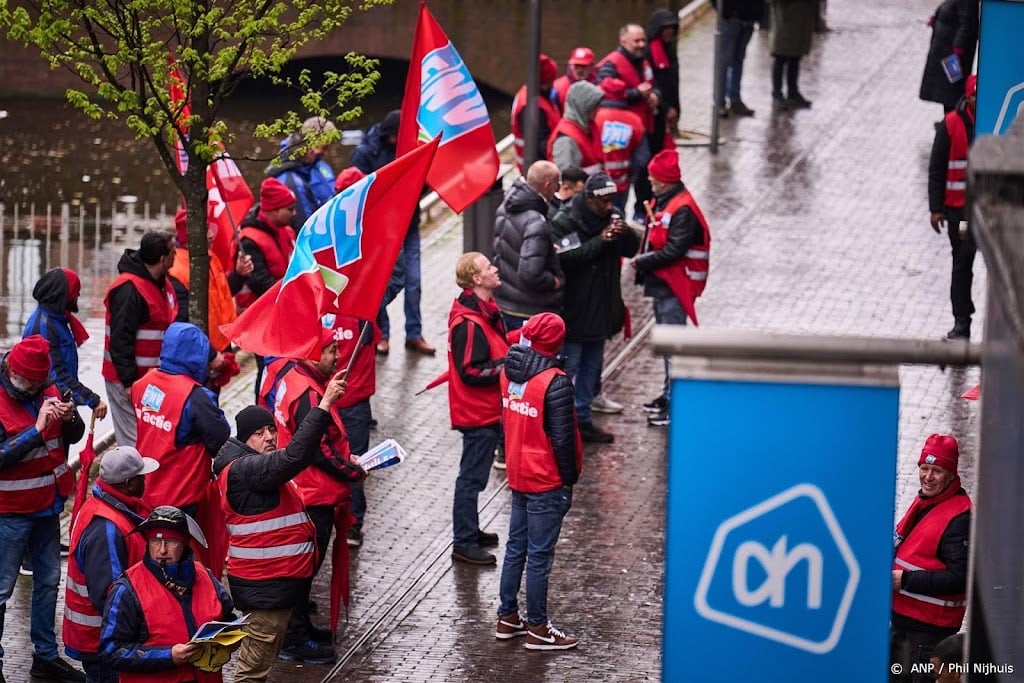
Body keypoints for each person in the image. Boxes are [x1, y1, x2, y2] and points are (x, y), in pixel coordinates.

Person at [213, 371, 347, 682]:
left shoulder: (252, 467)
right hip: (265, 590)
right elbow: (295, 456)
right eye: (259, 433)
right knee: (251, 672)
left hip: (272, 587)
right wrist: (324, 404)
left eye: (271, 429)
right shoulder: (247, 470)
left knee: (259, 665)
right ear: (244, 440)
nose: (270, 437)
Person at [259, 326, 365, 664]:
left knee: (303, 568)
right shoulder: (307, 392)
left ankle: (299, 627)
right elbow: (317, 447)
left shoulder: (284, 371)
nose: (337, 356)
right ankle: (293, 639)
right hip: (312, 492)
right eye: (331, 350)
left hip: (301, 488)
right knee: (304, 569)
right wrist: (351, 470)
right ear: (310, 351)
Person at [0, 335, 86, 683]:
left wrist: (68, 419)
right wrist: (35, 431)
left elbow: (75, 435)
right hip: (10, 512)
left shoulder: (49, 387)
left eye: (41, 382)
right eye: (32, 383)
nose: (39, 388)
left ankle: (45, 656)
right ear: (14, 372)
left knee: (49, 581)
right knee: (2, 589)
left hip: (47, 507)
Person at [495, 312, 581, 651]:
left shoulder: (508, 371)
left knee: (516, 549)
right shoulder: (555, 381)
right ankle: (538, 627)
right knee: (540, 556)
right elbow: (562, 439)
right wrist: (569, 479)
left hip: (518, 472)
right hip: (546, 478)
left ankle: (507, 616)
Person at [550, 172, 639, 443]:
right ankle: (558, 422)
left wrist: (624, 233)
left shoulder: (611, 217)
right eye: (603, 202)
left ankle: (583, 419)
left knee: (592, 367)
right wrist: (602, 240)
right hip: (575, 311)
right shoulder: (565, 222)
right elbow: (566, 259)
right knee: (568, 368)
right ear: (588, 199)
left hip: (602, 308)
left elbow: (631, 250)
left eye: (612, 201)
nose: (609, 206)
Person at [100, 506, 234, 682]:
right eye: (156, 541)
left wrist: (230, 640)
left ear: (185, 544)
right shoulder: (127, 588)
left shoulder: (206, 576)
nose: (162, 550)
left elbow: (228, 618)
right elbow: (111, 650)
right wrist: (167, 656)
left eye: (171, 541)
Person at [63, 446, 159, 683]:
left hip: (102, 639)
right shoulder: (106, 528)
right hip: (103, 643)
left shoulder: (102, 506)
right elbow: (110, 595)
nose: (145, 482)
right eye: (141, 477)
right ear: (128, 484)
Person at [630, 148, 710, 428]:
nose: (649, 181)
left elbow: (675, 249)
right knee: (668, 345)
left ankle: (676, 402)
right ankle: (668, 395)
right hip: (665, 283)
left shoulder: (681, 208)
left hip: (675, 284)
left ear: (664, 181)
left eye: (653, 178)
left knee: (673, 346)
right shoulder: (670, 202)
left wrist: (642, 261)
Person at [351, 110, 434, 357]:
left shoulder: (411, 146)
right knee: (380, 282)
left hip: (407, 226)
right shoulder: (365, 153)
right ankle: (382, 334)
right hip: (380, 231)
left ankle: (414, 334)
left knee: (413, 281)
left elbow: (426, 184)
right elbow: (355, 190)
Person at [890, 434, 972, 683]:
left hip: (928, 633)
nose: (928, 476)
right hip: (905, 624)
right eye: (924, 468)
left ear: (950, 474)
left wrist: (904, 580)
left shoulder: (959, 518)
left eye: (936, 471)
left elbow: (960, 578)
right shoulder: (926, 500)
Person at [132, 322, 231, 518]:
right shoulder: (195, 396)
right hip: (182, 494)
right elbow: (220, 439)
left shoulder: (143, 384)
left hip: (147, 488)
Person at [447, 252, 509, 566]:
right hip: (478, 413)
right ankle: (464, 540)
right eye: (488, 267)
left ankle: (470, 529)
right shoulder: (469, 322)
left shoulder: (483, 311)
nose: (495, 269)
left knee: (474, 476)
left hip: (484, 410)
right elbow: (469, 370)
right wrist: (505, 366)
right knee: (471, 478)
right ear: (476, 279)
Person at [102, 230, 179, 447]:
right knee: (134, 441)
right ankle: (134, 479)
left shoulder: (161, 282)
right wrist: (129, 383)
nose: (177, 256)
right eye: (173, 252)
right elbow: (120, 341)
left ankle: (146, 478)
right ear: (163, 259)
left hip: (150, 380)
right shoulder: (129, 291)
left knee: (150, 436)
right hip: (128, 380)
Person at [235, 177, 298, 397]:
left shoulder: (286, 231)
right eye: (289, 208)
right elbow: (259, 282)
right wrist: (296, 292)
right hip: (263, 320)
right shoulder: (250, 240)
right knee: (267, 370)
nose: (294, 213)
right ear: (273, 210)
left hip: (284, 315)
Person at [23, 267, 108, 421]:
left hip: (58, 402)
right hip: (47, 408)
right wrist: (92, 400)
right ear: (64, 295)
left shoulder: (57, 320)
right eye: (76, 292)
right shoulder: (45, 327)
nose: (78, 296)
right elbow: (57, 374)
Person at [928, 75, 977, 340]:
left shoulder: (995, 120)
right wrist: (936, 208)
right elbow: (936, 169)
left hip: (990, 213)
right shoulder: (950, 125)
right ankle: (962, 322)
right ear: (968, 97)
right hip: (962, 214)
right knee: (962, 262)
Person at [168, 207, 253, 353]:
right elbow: (182, 321)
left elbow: (221, 293)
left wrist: (238, 274)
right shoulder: (176, 269)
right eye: (206, 230)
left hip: (221, 342)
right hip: (202, 350)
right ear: (192, 234)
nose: (212, 235)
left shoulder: (210, 257)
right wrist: (211, 356)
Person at [493, 160, 564, 332]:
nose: (558, 189)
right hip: (527, 310)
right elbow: (530, 273)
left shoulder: (506, 206)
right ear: (548, 185)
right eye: (557, 184)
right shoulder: (535, 221)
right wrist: (554, 281)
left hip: (505, 301)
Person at [598, 23, 660, 219]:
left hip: (644, 125)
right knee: (627, 173)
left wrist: (656, 95)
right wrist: (637, 94)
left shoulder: (643, 61)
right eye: (637, 41)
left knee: (645, 171)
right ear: (623, 41)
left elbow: (654, 85)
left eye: (643, 40)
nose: (641, 44)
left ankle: (642, 211)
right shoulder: (611, 64)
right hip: (622, 130)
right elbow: (607, 91)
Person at [332, 313, 377, 548]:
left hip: (326, 400)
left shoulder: (317, 307)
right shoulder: (364, 314)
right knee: (357, 461)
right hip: (354, 402)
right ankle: (352, 524)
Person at [266, 116, 338, 230]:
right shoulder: (291, 181)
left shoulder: (320, 166)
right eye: (325, 147)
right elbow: (303, 225)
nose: (327, 153)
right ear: (310, 144)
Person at [594, 78, 648, 211]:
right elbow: (642, 158)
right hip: (621, 184)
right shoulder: (635, 120)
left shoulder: (594, 117)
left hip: (594, 185)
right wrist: (630, 175)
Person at [919, 0, 979, 112]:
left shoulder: (967, 2)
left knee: (951, 95)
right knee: (947, 95)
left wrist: (958, 48)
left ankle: (952, 124)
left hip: (952, 57)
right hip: (945, 53)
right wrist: (936, 19)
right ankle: (948, 123)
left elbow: (967, 24)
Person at [511, 54, 563, 172]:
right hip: (537, 171)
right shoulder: (531, 107)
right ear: (545, 82)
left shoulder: (536, 97)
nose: (553, 83)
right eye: (551, 79)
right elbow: (539, 144)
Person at [714, 0, 765, 117]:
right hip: (731, 19)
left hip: (749, 18)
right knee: (724, 60)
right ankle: (719, 102)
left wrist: (758, 13)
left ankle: (735, 100)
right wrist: (726, 12)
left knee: (739, 59)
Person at [548, 80, 604, 175]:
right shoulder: (565, 140)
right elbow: (566, 182)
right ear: (583, 106)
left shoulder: (585, 129)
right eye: (594, 105)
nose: (598, 109)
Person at [769, 0, 817, 110]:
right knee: (780, 56)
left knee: (796, 56)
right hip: (785, 17)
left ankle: (792, 93)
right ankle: (777, 95)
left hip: (802, 17)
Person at [646, 9, 681, 142]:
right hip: (658, 109)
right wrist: (666, 109)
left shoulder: (670, 49)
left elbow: (673, 82)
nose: (669, 32)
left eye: (671, 28)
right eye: (666, 28)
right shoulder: (649, 52)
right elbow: (654, 83)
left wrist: (676, 109)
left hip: (670, 107)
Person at [551, 47, 597, 115]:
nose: (580, 70)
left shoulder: (599, 86)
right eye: (576, 66)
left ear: (592, 66)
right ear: (571, 66)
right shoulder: (557, 88)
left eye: (583, 66)